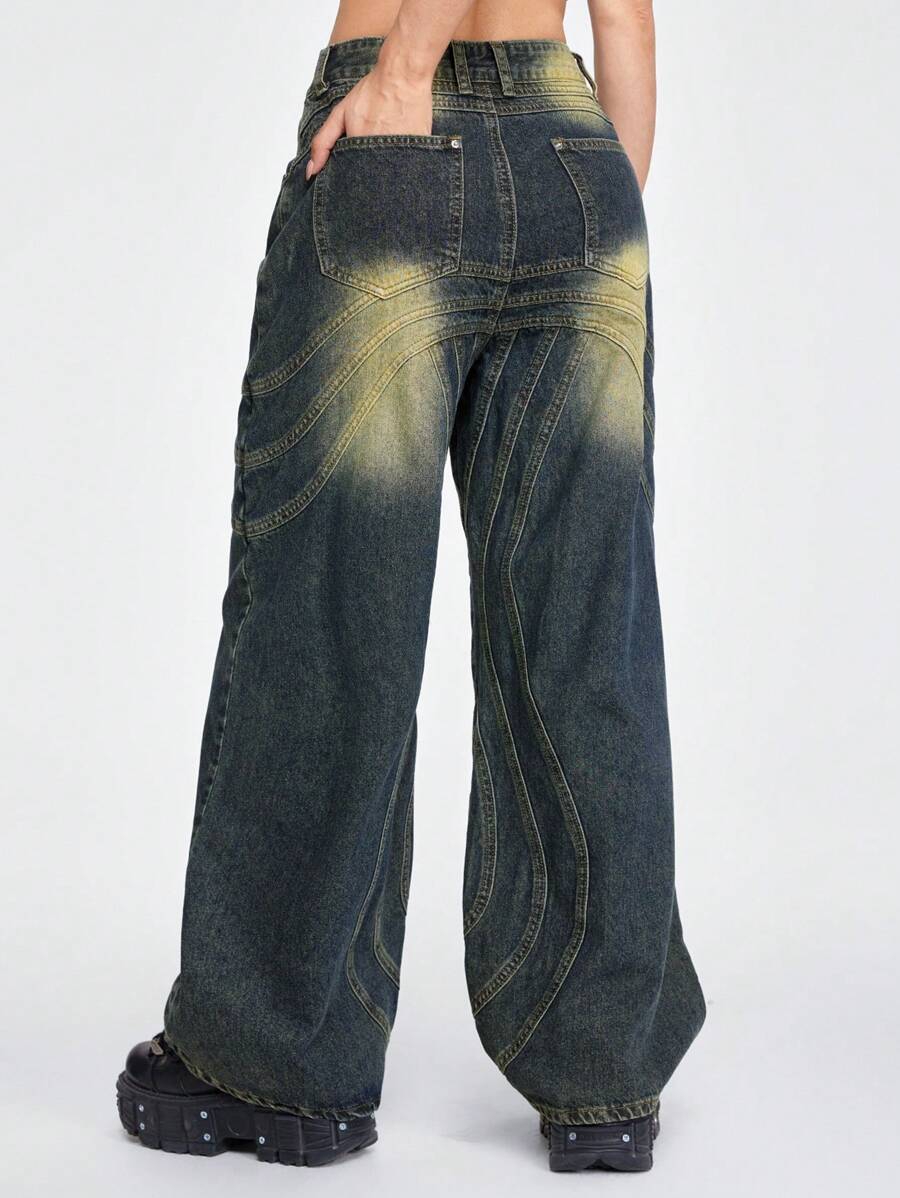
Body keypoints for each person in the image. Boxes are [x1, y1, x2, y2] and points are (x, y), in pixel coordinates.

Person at [116, 0, 705, 1173]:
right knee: (587, 632)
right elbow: (627, 21)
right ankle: (604, 1072)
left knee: (334, 616)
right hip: (582, 155)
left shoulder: (401, 81)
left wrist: (404, 66)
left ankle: (280, 1061)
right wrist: (599, 190)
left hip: (403, 140)